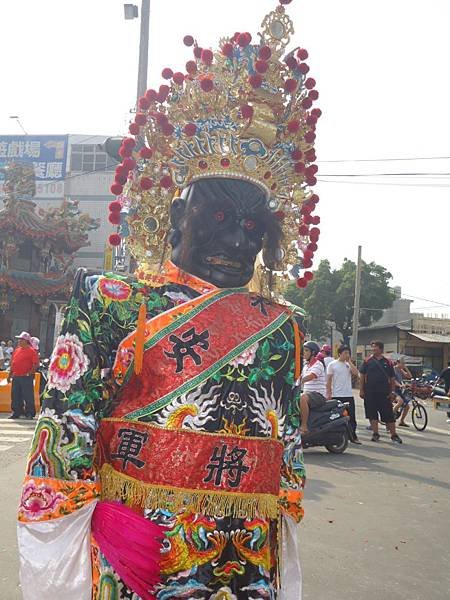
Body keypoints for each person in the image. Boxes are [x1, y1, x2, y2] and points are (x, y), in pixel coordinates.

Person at [17, 3, 319, 597]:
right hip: (141, 546)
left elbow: (285, 444)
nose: (237, 242)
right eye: (221, 219)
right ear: (179, 216)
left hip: (249, 551)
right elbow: (64, 433)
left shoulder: (282, 324)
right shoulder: (111, 302)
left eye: (254, 229)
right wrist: (91, 524)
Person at [359, 341, 403, 444]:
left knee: (388, 415)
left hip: (384, 393)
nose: (374, 349)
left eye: (376, 348)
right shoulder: (367, 361)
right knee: (372, 414)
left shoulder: (388, 362)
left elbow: (392, 378)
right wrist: (361, 389)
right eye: (373, 347)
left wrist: (392, 392)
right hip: (370, 392)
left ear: (381, 349)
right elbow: (361, 376)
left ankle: (394, 435)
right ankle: (375, 433)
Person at [326, 344, 361, 443]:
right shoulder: (332, 364)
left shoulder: (348, 365)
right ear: (339, 353)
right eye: (345, 353)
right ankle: (337, 437)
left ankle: (353, 436)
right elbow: (329, 380)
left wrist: (349, 362)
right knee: (336, 416)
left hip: (348, 395)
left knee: (351, 417)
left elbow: (356, 374)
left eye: (348, 353)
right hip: (336, 395)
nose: (347, 355)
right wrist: (328, 393)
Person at [7, 332, 39, 420]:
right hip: (16, 376)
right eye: (19, 339)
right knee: (15, 395)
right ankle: (16, 412)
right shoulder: (17, 350)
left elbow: (35, 364)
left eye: (21, 339)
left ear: (26, 341)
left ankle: (29, 413)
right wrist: (10, 375)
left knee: (28, 395)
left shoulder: (31, 351)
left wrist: (29, 373)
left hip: (26, 377)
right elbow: (13, 363)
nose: (19, 341)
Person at [300, 341, 327, 435]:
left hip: (318, 395)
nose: (304, 353)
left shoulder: (318, 364)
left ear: (313, 353)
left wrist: (299, 381)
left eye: (306, 350)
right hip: (308, 394)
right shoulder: (305, 366)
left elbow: (311, 376)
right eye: (304, 350)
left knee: (302, 398)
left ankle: (304, 426)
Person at [392, 357, 412, 428]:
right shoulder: (393, 369)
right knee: (400, 401)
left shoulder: (400, 370)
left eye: (404, 363)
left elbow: (409, 376)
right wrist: (400, 385)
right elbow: (393, 380)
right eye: (402, 363)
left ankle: (401, 421)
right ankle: (390, 419)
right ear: (398, 362)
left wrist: (405, 368)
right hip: (393, 390)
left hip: (400, 390)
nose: (403, 364)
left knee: (407, 406)